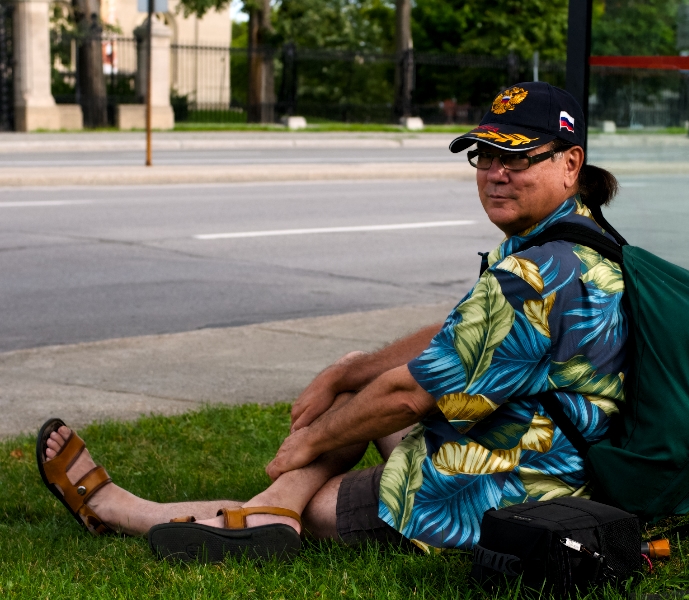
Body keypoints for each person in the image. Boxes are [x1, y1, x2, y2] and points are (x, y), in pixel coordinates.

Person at [37, 82, 627, 561]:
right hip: (526, 434)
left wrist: (307, 444)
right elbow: (458, 335)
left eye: (518, 157)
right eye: (487, 156)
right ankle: (274, 506)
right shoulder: (567, 239)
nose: (496, 172)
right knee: (357, 388)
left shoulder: (536, 275)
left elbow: (410, 396)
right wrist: (346, 374)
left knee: (322, 504)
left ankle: (122, 507)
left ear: (570, 163)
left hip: (521, 480)